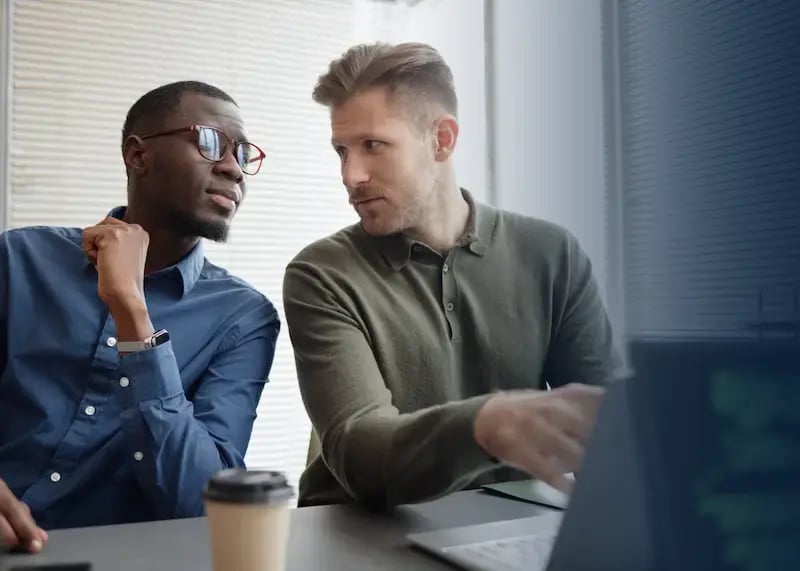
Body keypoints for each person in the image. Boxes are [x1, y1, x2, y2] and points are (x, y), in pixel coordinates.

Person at [283, 43, 619, 509]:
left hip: (504, 528)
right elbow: (359, 451)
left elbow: (608, 428)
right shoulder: (321, 274)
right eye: (341, 150)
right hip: (358, 535)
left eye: (372, 146)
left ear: (441, 140)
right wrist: (485, 423)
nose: (350, 174)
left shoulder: (553, 254)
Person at [0, 81, 279, 550]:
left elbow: (206, 507)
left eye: (243, 153)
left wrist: (131, 309)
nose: (234, 169)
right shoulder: (17, 260)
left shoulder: (243, 319)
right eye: (210, 142)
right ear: (137, 155)